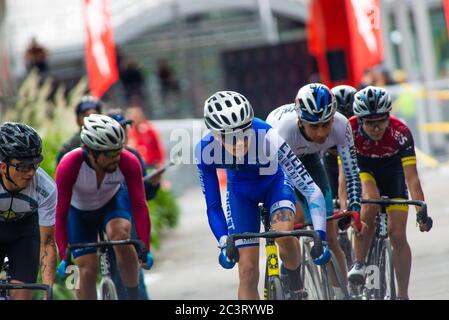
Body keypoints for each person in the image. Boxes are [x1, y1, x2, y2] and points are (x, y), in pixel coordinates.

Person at [196, 90, 330, 300]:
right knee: (247, 271)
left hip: (274, 184)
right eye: (230, 137)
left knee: (283, 234)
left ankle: (296, 284)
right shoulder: (204, 151)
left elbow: (310, 189)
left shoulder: (267, 134)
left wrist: (321, 236)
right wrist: (224, 243)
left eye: (244, 133)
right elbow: (213, 206)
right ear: (214, 134)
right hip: (241, 193)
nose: (239, 142)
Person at [266, 83, 364, 299]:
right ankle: (291, 275)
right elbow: (276, 179)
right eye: (314, 126)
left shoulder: (341, 124)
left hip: (310, 158)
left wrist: (355, 207)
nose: (321, 133)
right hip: (279, 164)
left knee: (330, 234)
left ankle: (340, 293)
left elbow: (351, 171)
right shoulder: (282, 129)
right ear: (300, 121)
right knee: (296, 218)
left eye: (325, 124)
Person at [347, 86, 433, 300]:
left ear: (389, 116)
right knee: (371, 202)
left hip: (392, 172)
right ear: (360, 120)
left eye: (381, 121)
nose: (376, 128)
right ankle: (359, 262)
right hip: (364, 168)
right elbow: (344, 174)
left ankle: (403, 294)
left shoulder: (400, 132)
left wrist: (421, 211)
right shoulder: (349, 130)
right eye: (369, 122)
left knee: (397, 234)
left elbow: (412, 178)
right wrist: (348, 206)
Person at [55, 114, 151, 300]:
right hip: (79, 212)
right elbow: (60, 212)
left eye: (118, 150)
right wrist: (64, 253)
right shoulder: (69, 165)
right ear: (91, 152)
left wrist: (144, 247)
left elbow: (139, 205)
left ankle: (133, 295)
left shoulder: (128, 161)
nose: (116, 157)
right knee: (85, 269)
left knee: (120, 235)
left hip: (112, 204)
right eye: (109, 154)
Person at [0, 123, 57, 300]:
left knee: (22, 295)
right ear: (3, 167)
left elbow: (47, 243)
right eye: (23, 166)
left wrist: (48, 290)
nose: (31, 173)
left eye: (35, 164)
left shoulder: (46, 188)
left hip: (24, 230)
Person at [323, 85, 358, 208]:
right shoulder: (323, 126)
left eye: (350, 119)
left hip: (355, 157)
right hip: (330, 161)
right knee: (331, 197)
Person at [56, 95, 103, 164]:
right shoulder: (69, 147)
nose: (90, 119)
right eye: (85, 116)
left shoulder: (110, 141)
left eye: (95, 115)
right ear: (77, 119)